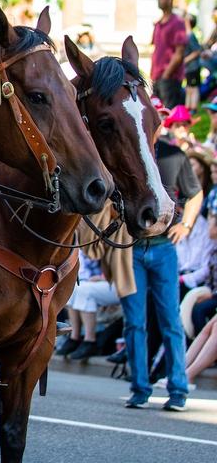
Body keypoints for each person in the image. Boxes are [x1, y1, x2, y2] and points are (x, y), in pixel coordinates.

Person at [119, 107, 200, 410]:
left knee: (171, 320)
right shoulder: (126, 150)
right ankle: (140, 388)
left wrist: (187, 224)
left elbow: (195, 193)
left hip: (164, 246)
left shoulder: (173, 154)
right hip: (132, 247)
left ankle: (178, 389)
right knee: (134, 322)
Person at [58, 250, 121, 360]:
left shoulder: (121, 240)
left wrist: (103, 278)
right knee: (75, 289)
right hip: (102, 280)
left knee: (84, 291)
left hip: (121, 282)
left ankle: (89, 340)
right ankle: (74, 337)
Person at [152, 0, 187, 109]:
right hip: (156, 77)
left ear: (170, 0)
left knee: (169, 114)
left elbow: (179, 52)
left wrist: (166, 75)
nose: (159, 0)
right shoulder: (158, 23)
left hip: (170, 77)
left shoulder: (177, 22)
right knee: (157, 114)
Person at [184, 14, 204, 111]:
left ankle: (193, 108)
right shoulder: (186, 35)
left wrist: (185, 60)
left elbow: (197, 51)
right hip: (188, 68)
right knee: (188, 87)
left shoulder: (190, 35)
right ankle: (188, 107)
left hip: (193, 67)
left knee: (193, 88)